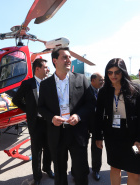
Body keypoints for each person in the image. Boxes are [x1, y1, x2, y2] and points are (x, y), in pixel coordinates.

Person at [38, 47, 95, 185]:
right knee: (60, 173)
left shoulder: (81, 79)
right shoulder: (45, 84)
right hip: (56, 134)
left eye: (69, 57)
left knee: (81, 172)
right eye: (65, 57)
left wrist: (79, 115)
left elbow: (91, 103)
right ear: (55, 61)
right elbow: (40, 107)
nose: (69, 60)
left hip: (77, 133)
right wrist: (52, 118)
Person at [95, 58, 140, 185]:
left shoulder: (135, 89)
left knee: (135, 172)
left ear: (123, 72)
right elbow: (98, 115)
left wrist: (139, 138)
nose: (113, 76)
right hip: (112, 136)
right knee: (115, 167)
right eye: (110, 72)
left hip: (133, 137)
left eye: (117, 72)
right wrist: (98, 136)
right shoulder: (104, 91)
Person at [12, 58, 53, 185]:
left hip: (48, 122)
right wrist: (29, 110)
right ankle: (37, 177)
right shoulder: (28, 84)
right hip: (35, 122)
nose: (48, 69)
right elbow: (16, 100)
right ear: (37, 69)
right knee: (36, 151)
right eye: (45, 67)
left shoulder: (50, 83)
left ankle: (47, 168)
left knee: (49, 148)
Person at [88, 73, 104, 181]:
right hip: (85, 124)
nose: (103, 82)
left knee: (97, 147)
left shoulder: (103, 91)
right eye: (101, 80)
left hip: (99, 125)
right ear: (93, 80)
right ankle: (79, 170)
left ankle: (96, 169)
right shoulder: (85, 91)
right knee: (81, 148)